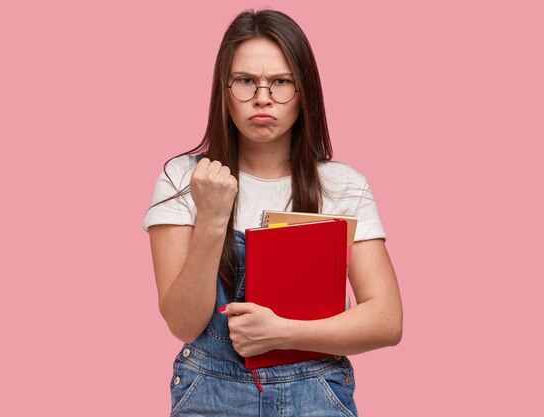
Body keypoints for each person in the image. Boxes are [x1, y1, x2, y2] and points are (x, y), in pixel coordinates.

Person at [143, 9, 402, 417]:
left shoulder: (341, 185)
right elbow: (183, 324)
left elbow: (386, 320)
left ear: (305, 91)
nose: (263, 97)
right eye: (246, 81)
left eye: (281, 82)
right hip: (210, 394)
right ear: (223, 90)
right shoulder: (183, 179)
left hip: (317, 391)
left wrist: (282, 333)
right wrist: (211, 217)